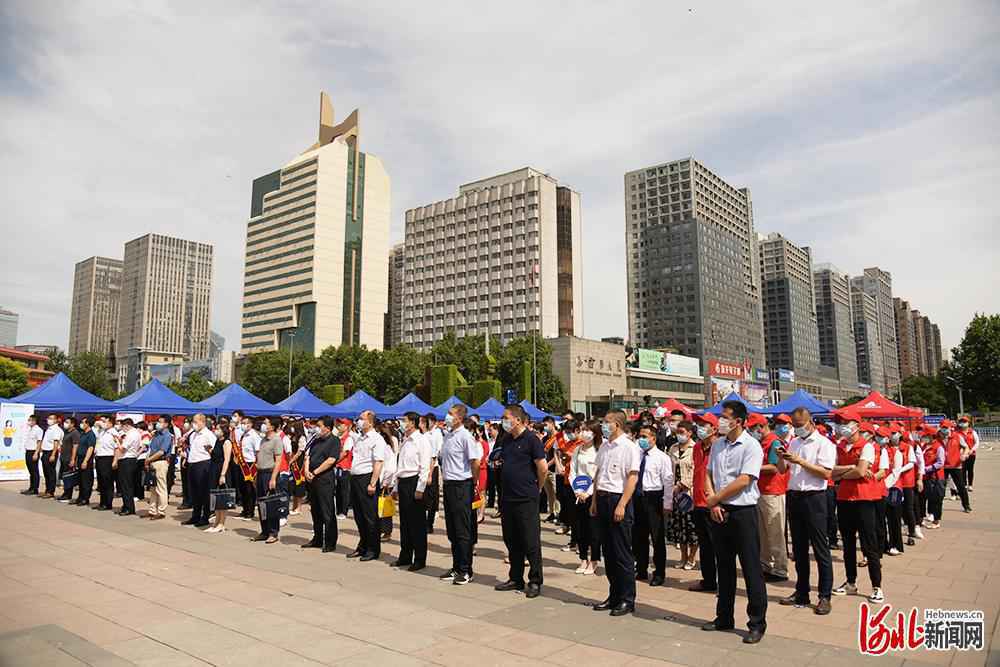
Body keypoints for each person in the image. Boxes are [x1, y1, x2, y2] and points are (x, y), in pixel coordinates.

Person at [702, 401, 767, 645]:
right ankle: (724, 617)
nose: (721, 421)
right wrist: (714, 502)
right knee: (724, 566)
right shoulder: (718, 444)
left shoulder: (752, 446)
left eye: (725, 417)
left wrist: (715, 498)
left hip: (743, 511)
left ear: (738, 421)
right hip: (719, 510)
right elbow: (708, 474)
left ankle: (757, 623)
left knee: (751, 568)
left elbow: (745, 479)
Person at [776, 407, 835, 615]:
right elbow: (782, 470)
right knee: (799, 549)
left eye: (800, 425)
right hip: (795, 496)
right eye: (795, 425)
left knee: (820, 548)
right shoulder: (793, 442)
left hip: (815, 497)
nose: (797, 428)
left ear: (810, 422)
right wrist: (782, 457)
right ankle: (801, 591)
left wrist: (801, 461)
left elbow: (826, 473)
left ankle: (824, 595)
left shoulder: (823, 444)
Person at [830, 409, 884, 602]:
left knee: (869, 545)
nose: (841, 427)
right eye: (839, 423)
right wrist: (850, 469)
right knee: (848, 543)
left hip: (864, 499)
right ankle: (850, 582)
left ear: (857, 426)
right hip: (844, 499)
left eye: (845, 423)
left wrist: (845, 473)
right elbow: (831, 472)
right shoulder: (840, 446)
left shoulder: (867, 446)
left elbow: (861, 472)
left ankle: (876, 586)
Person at [590, 410, 640, 617]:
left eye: (607, 422)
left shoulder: (629, 447)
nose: (603, 425)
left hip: (618, 499)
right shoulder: (605, 445)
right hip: (602, 498)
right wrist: (594, 500)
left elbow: (632, 477)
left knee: (621, 553)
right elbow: (598, 474)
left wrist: (622, 504)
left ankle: (627, 599)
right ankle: (614, 594)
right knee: (608, 552)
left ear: (617, 424)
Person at [494, 404, 547, 598]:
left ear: (517, 419)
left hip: (526, 498)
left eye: (506, 417)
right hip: (508, 498)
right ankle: (516, 577)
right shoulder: (507, 440)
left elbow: (542, 468)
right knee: (511, 540)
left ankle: (535, 580)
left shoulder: (532, 440)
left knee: (530, 541)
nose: (504, 421)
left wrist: (537, 488)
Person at [438, 404, 482, 585]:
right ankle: (456, 566)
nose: (447, 417)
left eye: (450, 414)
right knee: (452, 530)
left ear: (459, 418)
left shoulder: (465, 436)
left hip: (462, 485)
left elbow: (475, 462)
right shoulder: (448, 435)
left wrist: (474, 482)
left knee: (463, 529)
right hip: (448, 485)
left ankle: (465, 570)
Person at [746, 412, 788, 582]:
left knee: (775, 531)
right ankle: (765, 565)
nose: (750, 432)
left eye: (752, 428)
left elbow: (774, 467)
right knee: (762, 533)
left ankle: (780, 568)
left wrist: (750, 468)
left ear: (761, 427)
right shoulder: (760, 442)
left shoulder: (774, 442)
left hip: (773, 491)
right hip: (760, 491)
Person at [632, 423, 673, 587]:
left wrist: (667, 502)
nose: (641, 439)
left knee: (657, 538)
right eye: (639, 436)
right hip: (638, 497)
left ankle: (659, 572)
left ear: (653, 438)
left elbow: (668, 481)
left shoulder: (662, 457)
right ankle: (641, 568)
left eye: (644, 436)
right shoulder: (637, 455)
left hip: (654, 498)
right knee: (638, 537)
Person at [391, 411, 432, 570]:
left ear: (413, 423)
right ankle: (405, 555)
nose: (402, 423)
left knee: (417, 523)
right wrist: (395, 486)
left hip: (415, 482)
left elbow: (424, 466)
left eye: (405, 420)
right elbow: (400, 466)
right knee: (405, 523)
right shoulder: (405, 440)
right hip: (403, 482)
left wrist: (420, 487)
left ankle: (420, 559)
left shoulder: (421, 440)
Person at [348, 410, 387, 562]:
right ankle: (362, 545)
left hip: (367, 478)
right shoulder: (360, 438)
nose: (359, 421)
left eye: (362, 419)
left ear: (370, 422)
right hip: (356, 477)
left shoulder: (376, 439)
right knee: (359, 515)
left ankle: (373, 549)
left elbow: (378, 462)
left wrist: (372, 482)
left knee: (370, 516)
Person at [689, 413, 718, 593]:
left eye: (704, 425)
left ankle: (723, 582)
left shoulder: (720, 447)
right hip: (698, 502)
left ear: (714, 429)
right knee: (705, 545)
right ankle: (708, 580)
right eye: (698, 424)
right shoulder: (697, 447)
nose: (700, 428)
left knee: (720, 546)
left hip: (714, 502)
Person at [303, 416, 341, 552]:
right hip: (312, 479)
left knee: (327, 511)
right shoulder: (316, 440)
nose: (316, 428)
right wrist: (307, 470)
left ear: (328, 428)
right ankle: (317, 538)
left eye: (319, 426)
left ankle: (330, 541)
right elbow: (307, 456)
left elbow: (331, 460)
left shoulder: (334, 441)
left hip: (324, 479)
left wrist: (315, 472)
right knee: (315, 510)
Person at [570, 420, 601, 575]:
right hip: (578, 493)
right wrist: (577, 490)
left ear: (594, 433)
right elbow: (573, 472)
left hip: (592, 495)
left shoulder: (598, 451)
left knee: (593, 529)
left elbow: (597, 475)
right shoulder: (577, 450)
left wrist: (587, 492)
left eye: (586, 430)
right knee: (580, 528)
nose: (583, 433)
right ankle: (583, 558)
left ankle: (594, 560)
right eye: (582, 430)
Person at [667, 420, 698, 570]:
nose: (679, 435)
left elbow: (696, 471)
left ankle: (692, 557)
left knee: (691, 527)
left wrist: (682, 485)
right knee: (679, 527)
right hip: (675, 495)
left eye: (682, 432)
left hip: (689, 493)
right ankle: (683, 557)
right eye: (677, 432)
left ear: (690, 433)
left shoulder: (695, 448)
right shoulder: (672, 448)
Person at [253, 417, 284, 543]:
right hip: (260, 473)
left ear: (272, 426)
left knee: (271, 503)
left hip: (270, 474)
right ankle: (264, 530)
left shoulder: (276, 440)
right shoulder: (263, 440)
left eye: (266, 423)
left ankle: (273, 532)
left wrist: (273, 478)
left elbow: (278, 461)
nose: (263, 425)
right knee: (261, 503)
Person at [183, 413, 216, 528]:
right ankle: (195, 515)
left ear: (202, 422)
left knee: (203, 492)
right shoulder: (193, 435)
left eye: (196, 422)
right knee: (194, 492)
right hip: (192, 464)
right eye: (193, 422)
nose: (194, 424)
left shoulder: (208, 435)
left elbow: (214, 451)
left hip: (203, 464)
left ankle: (205, 516)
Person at [144, 415, 174, 520]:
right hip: (152, 462)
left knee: (161, 487)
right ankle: (152, 510)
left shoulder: (167, 436)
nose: (158, 424)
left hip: (161, 462)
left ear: (166, 424)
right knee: (152, 488)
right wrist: (147, 460)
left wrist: (149, 459)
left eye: (160, 422)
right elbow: (150, 449)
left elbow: (162, 451)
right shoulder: (156, 435)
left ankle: (161, 511)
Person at [939, 419, 971, 513]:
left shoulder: (957, 436)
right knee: (940, 487)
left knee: (961, 486)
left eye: (946, 427)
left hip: (955, 465)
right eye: (942, 427)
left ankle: (966, 505)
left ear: (950, 428)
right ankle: (938, 508)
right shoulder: (937, 437)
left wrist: (964, 455)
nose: (944, 429)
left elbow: (966, 447)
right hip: (942, 466)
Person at [206, 421, 233, 534]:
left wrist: (223, 474)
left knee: (222, 498)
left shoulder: (227, 442)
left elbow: (226, 459)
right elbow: (216, 455)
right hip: (214, 469)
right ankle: (216, 522)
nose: (216, 431)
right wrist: (209, 450)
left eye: (218, 429)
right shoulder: (218, 441)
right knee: (215, 497)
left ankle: (221, 523)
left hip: (222, 470)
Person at [421, 413, 443, 533]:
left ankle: (430, 523)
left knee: (431, 496)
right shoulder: (425, 434)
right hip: (424, 466)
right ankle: (424, 521)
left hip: (432, 467)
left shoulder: (437, 434)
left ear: (433, 422)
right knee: (424, 495)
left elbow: (435, 453)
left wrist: (429, 473)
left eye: (427, 421)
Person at [114, 419, 141, 516]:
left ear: (127, 425)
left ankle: (128, 507)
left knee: (126, 485)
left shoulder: (132, 434)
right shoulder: (135, 433)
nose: (122, 428)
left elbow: (122, 448)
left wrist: (117, 441)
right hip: (128, 459)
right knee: (125, 484)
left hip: (127, 460)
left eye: (122, 426)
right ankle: (126, 505)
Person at [921, 425, 946, 529]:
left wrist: (927, 468)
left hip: (936, 477)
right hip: (926, 477)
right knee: (927, 498)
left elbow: (940, 463)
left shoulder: (938, 447)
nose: (924, 437)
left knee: (937, 499)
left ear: (931, 436)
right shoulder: (924, 446)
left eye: (926, 435)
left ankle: (936, 521)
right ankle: (925, 517)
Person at [92, 416, 118, 511]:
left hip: (108, 458)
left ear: (110, 423)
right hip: (100, 457)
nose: (102, 423)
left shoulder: (113, 433)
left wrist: (115, 460)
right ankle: (102, 502)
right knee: (101, 481)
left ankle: (108, 503)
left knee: (107, 481)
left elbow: (116, 448)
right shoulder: (102, 432)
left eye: (105, 421)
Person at [236, 416, 259, 519]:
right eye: (242, 423)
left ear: (250, 424)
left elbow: (258, 451)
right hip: (242, 463)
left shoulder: (254, 436)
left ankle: (250, 511)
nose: (243, 425)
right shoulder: (243, 435)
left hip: (251, 465)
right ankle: (245, 509)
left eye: (245, 423)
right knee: (243, 488)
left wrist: (257, 464)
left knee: (250, 489)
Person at [541, 416, 561, 522]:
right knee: (549, 494)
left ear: (552, 424)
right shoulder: (545, 438)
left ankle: (558, 513)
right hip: (545, 470)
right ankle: (552, 513)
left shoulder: (558, 437)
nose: (545, 427)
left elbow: (556, 455)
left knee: (556, 493)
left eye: (546, 425)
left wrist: (547, 464)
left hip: (553, 469)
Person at [74, 417, 97, 506]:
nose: (81, 424)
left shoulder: (91, 435)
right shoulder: (83, 433)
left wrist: (85, 461)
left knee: (86, 480)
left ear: (87, 424)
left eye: (83, 423)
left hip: (86, 459)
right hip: (79, 458)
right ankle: (80, 497)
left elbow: (90, 448)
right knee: (80, 479)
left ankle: (85, 498)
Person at [39, 415, 63, 498]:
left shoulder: (56, 430)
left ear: (56, 420)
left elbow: (56, 443)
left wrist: (53, 454)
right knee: (46, 472)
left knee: (51, 472)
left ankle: (51, 491)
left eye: (51, 418)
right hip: (45, 452)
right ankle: (47, 489)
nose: (48, 420)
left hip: (51, 452)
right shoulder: (48, 429)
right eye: (48, 418)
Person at [19, 414, 44, 496]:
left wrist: (36, 453)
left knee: (34, 471)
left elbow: (39, 442)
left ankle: (35, 489)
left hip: (33, 451)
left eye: (30, 420)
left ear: (34, 421)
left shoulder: (38, 430)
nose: (29, 421)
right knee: (30, 471)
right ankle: (31, 487)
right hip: (28, 451)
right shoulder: (30, 429)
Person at [58, 417, 81, 502]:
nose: (65, 424)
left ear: (72, 424)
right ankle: (65, 493)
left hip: (69, 458)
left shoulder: (75, 433)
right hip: (64, 457)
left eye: (67, 422)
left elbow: (75, 446)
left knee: (69, 477)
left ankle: (68, 495)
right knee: (64, 477)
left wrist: (73, 459)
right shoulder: (66, 432)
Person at [334, 418, 354, 518]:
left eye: (341, 424)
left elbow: (345, 452)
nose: (339, 426)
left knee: (344, 490)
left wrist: (334, 461)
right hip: (337, 467)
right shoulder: (338, 437)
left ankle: (344, 511)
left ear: (346, 426)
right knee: (338, 490)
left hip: (345, 468)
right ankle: (338, 510)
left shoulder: (349, 438)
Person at [957, 416, 978, 492]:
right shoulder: (957, 433)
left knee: (970, 469)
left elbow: (977, 442)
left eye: (964, 421)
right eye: (961, 421)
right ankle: (964, 484)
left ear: (968, 423)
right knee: (962, 470)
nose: (963, 423)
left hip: (971, 454)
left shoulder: (972, 432)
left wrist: (972, 450)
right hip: (961, 454)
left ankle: (970, 485)